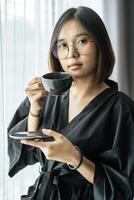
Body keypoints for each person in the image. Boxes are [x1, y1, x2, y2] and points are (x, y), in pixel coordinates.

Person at [8, 6, 134, 200]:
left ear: (100, 44)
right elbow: (29, 154)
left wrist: (75, 158)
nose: (71, 53)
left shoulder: (121, 108)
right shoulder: (47, 96)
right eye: (62, 45)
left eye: (82, 41)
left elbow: (122, 189)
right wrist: (35, 110)